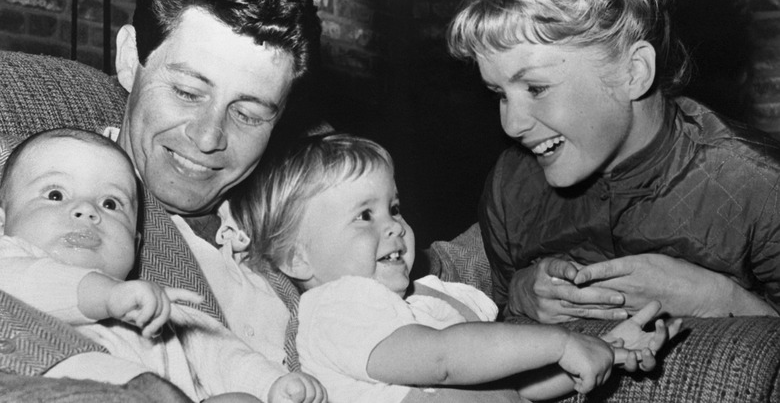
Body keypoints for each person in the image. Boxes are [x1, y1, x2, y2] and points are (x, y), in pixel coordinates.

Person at [1, 0, 327, 401]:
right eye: (188, 92)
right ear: (129, 59)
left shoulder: (282, 207)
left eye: (248, 114)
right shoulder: (48, 187)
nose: (209, 137)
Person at [231, 133, 680, 403]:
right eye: (364, 216)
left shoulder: (428, 300)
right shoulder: (336, 308)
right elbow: (444, 360)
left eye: (394, 207)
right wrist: (559, 342)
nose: (395, 227)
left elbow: (517, 386)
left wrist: (601, 351)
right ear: (296, 258)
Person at [445, 0, 780, 324]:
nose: (511, 124)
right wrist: (517, 296)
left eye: (536, 89)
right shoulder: (510, 186)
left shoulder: (759, 188)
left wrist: (716, 299)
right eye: (500, 94)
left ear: (634, 72)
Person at [0, 127, 308, 403]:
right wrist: (107, 296)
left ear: (135, 245)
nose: (86, 210)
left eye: (111, 203)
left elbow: (226, 356)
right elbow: (29, 280)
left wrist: (273, 385)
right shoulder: (8, 258)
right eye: (55, 194)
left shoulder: (164, 311)